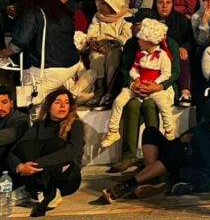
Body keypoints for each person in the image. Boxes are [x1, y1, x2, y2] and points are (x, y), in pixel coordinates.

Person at [0, 0, 82, 108]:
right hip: (71, 65)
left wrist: (4, 53)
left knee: (34, 106)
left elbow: (19, 42)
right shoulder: (63, 13)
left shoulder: (33, 12)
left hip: (47, 68)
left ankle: (35, 122)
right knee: (54, 103)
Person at [8, 87, 84, 217]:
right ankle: (38, 191)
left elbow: (73, 151)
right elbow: (16, 150)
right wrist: (20, 167)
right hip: (40, 175)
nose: (63, 106)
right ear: (48, 106)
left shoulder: (75, 124)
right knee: (25, 146)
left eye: (66, 102)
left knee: (57, 144)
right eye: (58, 102)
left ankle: (41, 191)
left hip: (66, 179)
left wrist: (37, 164)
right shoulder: (39, 125)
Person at [101, 19, 177, 147]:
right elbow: (133, 70)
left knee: (163, 105)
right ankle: (113, 131)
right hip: (138, 84)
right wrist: (136, 80)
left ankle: (169, 131)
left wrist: (155, 84)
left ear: (149, 41)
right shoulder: (139, 54)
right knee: (119, 101)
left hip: (154, 87)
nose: (138, 40)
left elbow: (167, 74)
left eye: (140, 38)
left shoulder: (162, 55)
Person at [0, 86, 30, 177]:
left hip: (13, 167)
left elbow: (12, 135)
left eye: (4, 102)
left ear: (12, 103)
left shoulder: (21, 118)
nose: (0, 107)